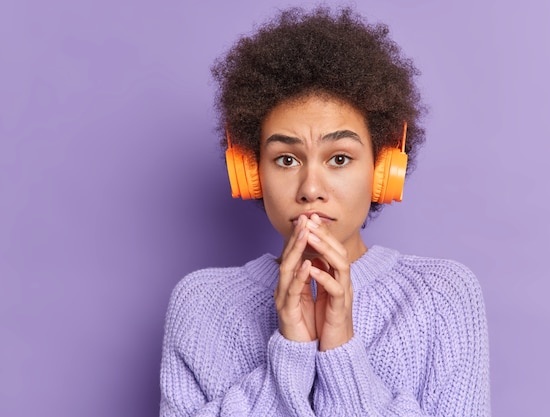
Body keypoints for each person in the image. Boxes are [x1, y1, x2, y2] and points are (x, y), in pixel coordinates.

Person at [159, 6, 490, 417]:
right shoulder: (203, 303)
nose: (311, 189)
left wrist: (341, 353)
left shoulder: (443, 296)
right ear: (251, 172)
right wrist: (291, 350)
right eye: (286, 160)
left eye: (339, 159)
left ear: (383, 170)